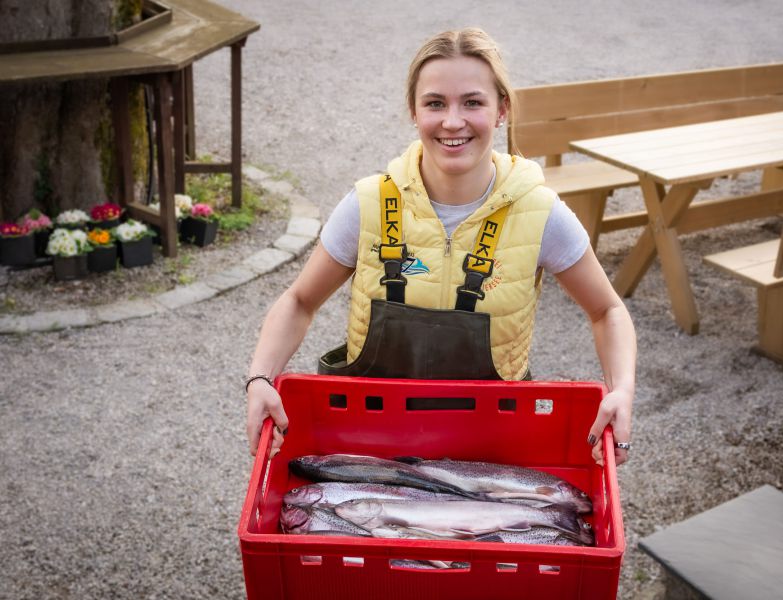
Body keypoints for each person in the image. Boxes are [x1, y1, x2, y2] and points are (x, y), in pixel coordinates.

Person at [245, 28, 636, 466]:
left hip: (489, 454)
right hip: (369, 449)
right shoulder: (368, 204)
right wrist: (260, 378)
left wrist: (621, 390)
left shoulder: (540, 212)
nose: (452, 121)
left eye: (472, 102)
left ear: (501, 109)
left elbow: (608, 311)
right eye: (435, 103)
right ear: (413, 111)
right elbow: (299, 301)